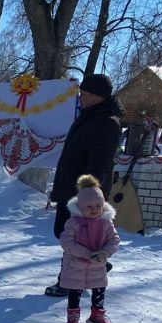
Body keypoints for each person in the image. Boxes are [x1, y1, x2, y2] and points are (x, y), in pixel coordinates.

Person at [46, 73, 123, 297]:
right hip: (71, 188)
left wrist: (87, 196)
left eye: (85, 93)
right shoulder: (90, 115)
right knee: (63, 232)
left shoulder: (106, 122)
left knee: (72, 237)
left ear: (99, 96)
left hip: (82, 194)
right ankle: (96, 262)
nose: (81, 96)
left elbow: (100, 164)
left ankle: (69, 282)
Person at [60, 175, 120, 323]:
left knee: (99, 289)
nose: (94, 209)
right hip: (75, 265)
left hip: (97, 265)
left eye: (98, 205)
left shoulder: (106, 223)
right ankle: (73, 315)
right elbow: (66, 242)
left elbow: (114, 240)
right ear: (80, 207)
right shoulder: (73, 223)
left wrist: (104, 253)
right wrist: (87, 253)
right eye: (89, 206)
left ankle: (97, 315)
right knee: (75, 290)